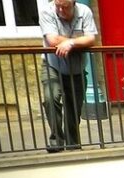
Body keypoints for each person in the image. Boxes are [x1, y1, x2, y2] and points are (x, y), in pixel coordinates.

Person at [39, 0, 96, 152]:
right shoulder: (47, 12)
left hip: (76, 69)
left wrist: (70, 43)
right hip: (52, 65)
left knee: (73, 108)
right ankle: (56, 141)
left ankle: (73, 144)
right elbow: (53, 40)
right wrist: (79, 42)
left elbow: (91, 39)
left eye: (65, 7)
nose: (61, 10)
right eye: (58, 6)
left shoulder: (84, 12)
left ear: (74, 4)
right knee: (51, 98)